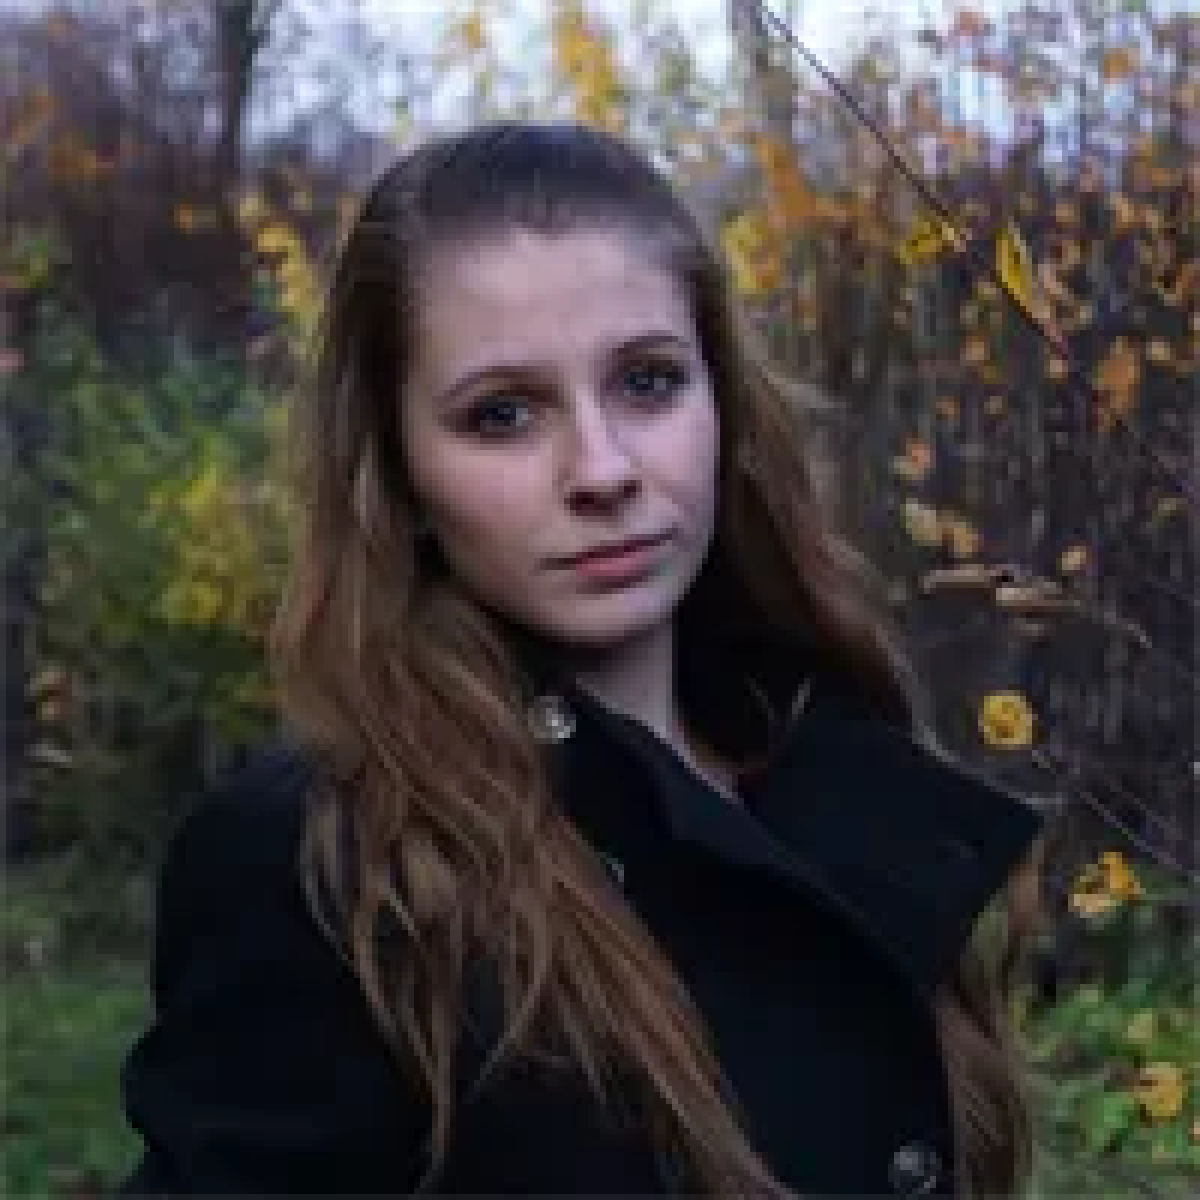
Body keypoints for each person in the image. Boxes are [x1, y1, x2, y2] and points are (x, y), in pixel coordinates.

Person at [117, 121, 1046, 1198]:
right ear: (401, 471)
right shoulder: (329, 866)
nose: (602, 471)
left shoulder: (824, 753)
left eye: (647, 382)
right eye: (503, 415)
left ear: (722, 404)